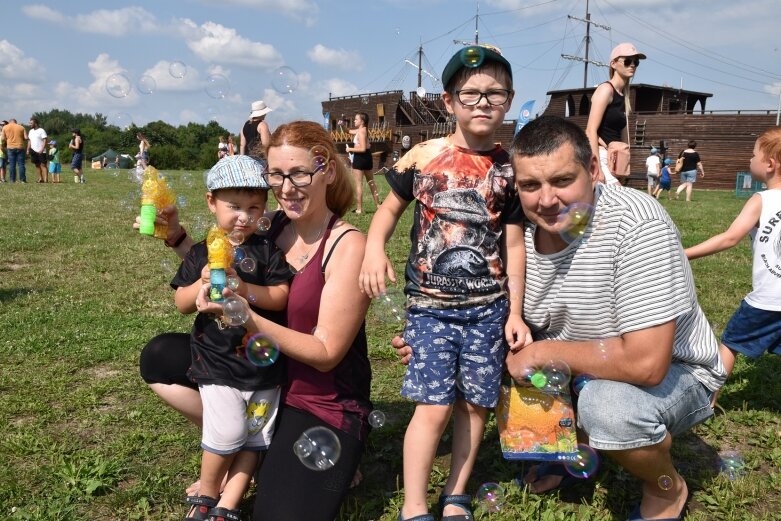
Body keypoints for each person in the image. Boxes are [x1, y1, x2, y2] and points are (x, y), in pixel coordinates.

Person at [394, 116, 725, 521]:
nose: (546, 199)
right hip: (589, 363)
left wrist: (541, 353)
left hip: (676, 370)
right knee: (490, 349)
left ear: (592, 170)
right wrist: (434, 338)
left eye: (562, 180)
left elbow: (647, 363)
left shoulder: (637, 223)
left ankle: (664, 490)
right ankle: (569, 449)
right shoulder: (512, 239)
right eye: (531, 185)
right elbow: (482, 319)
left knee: (608, 409)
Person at [139, 120, 371, 521]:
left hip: (319, 399)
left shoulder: (347, 245)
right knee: (159, 355)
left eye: (299, 173)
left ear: (328, 171)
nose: (285, 188)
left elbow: (327, 353)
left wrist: (245, 315)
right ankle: (239, 441)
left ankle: (302, 455)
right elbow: (224, 268)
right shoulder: (273, 225)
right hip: (260, 372)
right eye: (276, 175)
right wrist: (177, 236)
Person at [360, 45, 530, 521]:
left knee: (475, 406)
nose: (482, 102)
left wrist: (515, 311)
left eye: (493, 93)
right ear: (449, 100)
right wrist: (375, 248)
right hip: (431, 306)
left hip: (490, 308)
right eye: (470, 92)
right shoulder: (424, 155)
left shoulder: (509, 169)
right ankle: (415, 506)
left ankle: (455, 495)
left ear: (510, 100)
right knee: (433, 407)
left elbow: (513, 245)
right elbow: (388, 210)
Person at [176, 155, 292, 520]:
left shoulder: (267, 251)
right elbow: (181, 302)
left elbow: (280, 296)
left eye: (254, 207)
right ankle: (207, 495)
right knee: (227, 433)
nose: (244, 216)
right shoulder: (200, 254)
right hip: (218, 363)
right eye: (234, 206)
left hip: (263, 368)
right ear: (211, 202)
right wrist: (201, 282)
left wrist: (243, 286)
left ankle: (228, 505)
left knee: (255, 438)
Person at [685, 127, 781, 403]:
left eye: (754, 155)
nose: (750, 160)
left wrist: (685, 253)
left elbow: (730, 238)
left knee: (730, 343)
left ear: (770, 164)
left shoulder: (762, 199)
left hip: (764, 302)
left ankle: (708, 402)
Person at [585, 42, 645, 186]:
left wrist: (624, 166)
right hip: (602, 156)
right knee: (621, 200)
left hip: (615, 159)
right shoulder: (606, 90)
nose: (632, 65)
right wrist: (597, 167)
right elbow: (590, 130)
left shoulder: (623, 96)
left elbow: (624, 139)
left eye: (636, 62)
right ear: (613, 64)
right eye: (627, 61)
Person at [345, 112, 379, 214]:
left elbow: (363, 148)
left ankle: (359, 209)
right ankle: (378, 205)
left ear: (362, 121)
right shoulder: (362, 130)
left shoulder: (361, 132)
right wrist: (342, 125)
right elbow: (348, 131)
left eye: (356, 119)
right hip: (367, 158)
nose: (354, 121)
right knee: (371, 182)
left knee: (358, 184)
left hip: (360, 158)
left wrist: (350, 149)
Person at [2, 118, 27, 183]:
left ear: (10, 122)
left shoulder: (5, 127)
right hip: (20, 147)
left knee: (12, 165)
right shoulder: (21, 127)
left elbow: (3, 138)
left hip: (10, 147)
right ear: (16, 122)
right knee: (21, 164)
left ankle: (12, 180)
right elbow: (26, 137)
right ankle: (22, 180)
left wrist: (7, 140)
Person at [27, 118, 48, 183]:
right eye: (29, 123)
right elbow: (29, 141)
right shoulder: (30, 131)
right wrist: (28, 149)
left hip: (41, 151)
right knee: (37, 165)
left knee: (43, 165)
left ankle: (46, 180)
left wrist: (42, 149)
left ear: (35, 123)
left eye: (31, 123)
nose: (30, 124)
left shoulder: (41, 130)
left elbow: (45, 140)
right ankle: (40, 179)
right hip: (33, 151)